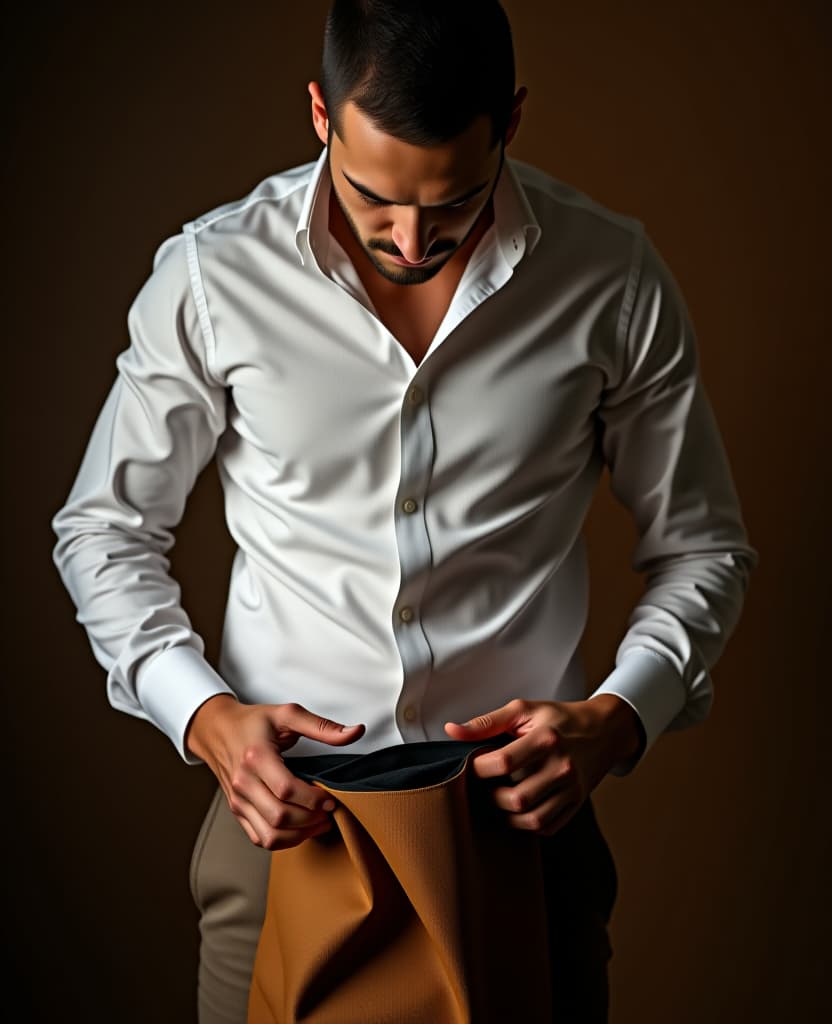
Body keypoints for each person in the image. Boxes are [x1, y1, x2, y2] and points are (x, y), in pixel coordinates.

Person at [51, 1, 757, 1022]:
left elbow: (704, 547)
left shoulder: (611, 277)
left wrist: (616, 720)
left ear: (510, 121)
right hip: (287, 830)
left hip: (525, 835)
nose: (411, 239)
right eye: (374, 198)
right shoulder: (214, 275)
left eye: (456, 201)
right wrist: (204, 719)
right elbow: (104, 529)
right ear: (318, 115)